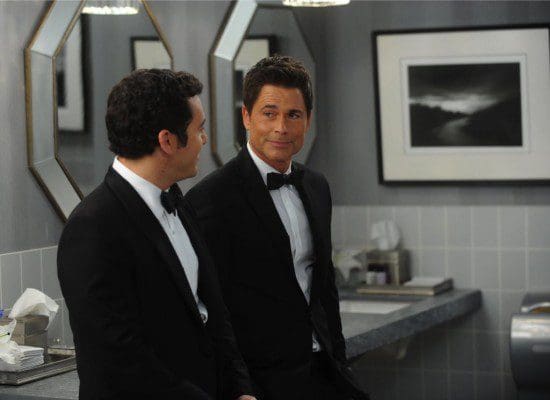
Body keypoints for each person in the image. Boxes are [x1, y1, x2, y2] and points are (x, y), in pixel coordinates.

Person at [57, 69, 256, 400]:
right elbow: (119, 358)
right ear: (167, 141)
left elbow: (214, 315)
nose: (204, 139)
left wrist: (240, 390)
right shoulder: (93, 227)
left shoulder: (178, 200)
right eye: (199, 129)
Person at [184, 56, 369, 400]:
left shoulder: (317, 186)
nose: (281, 127)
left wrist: (340, 362)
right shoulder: (210, 199)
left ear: (308, 120)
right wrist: (239, 388)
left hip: (324, 372)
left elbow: (324, 286)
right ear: (246, 117)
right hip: (260, 383)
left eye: (293, 115)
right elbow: (211, 311)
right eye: (269, 113)